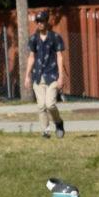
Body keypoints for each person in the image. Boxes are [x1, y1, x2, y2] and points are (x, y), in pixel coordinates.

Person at [24, 11, 66, 139]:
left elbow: (59, 56)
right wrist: (27, 76)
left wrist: (61, 76)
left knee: (50, 105)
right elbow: (31, 57)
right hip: (38, 76)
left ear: (47, 22)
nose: (40, 23)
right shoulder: (33, 39)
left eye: (42, 21)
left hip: (52, 75)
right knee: (41, 106)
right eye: (37, 21)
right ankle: (45, 131)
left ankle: (58, 123)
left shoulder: (55, 37)